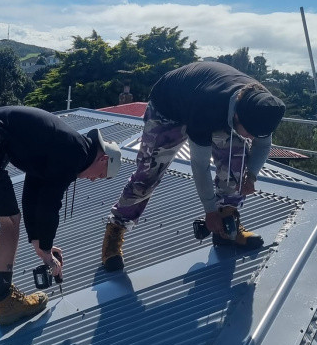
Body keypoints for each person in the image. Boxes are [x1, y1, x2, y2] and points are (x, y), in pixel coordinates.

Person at [0, 105, 122, 331]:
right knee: (10, 221)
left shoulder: (65, 146)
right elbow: (50, 203)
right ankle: (6, 301)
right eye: (99, 176)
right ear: (103, 160)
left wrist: (39, 242)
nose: (92, 180)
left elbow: (33, 189)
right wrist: (46, 250)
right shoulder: (75, 153)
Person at [101, 61, 285, 271]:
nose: (252, 137)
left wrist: (251, 175)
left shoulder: (262, 105)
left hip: (210, 101)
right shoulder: (207, 109)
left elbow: (263, 143)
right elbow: (199, 165)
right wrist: (209, 211)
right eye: (249, 132)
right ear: (236, 117)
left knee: (238, 160)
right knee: (148, 174)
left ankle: (227, 225)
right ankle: (116, 228)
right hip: (169, 108)